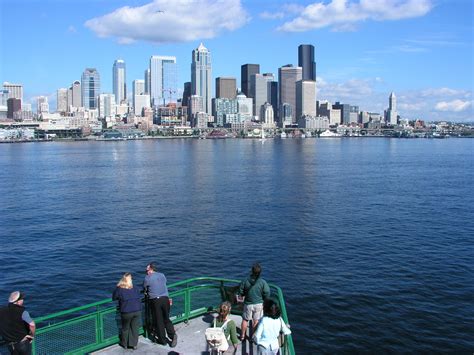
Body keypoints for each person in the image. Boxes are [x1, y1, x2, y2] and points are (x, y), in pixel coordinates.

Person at [143, 262, 177, 347]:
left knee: (159, 321)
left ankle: (162, 340)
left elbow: (144, 287)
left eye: (146, 270)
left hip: (156, 301)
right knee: (166, 318)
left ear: (150, 270)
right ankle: (173, 335)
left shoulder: (147, 278)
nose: (146, 272)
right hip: (165, 299)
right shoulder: (162, 275)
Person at [238, 262, 270, 341]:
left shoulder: (245, 280)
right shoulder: (262, 282)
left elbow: (240, 291)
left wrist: (242, 295)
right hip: (259, 304)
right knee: (256, 321)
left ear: (251, 271)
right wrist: (264, 300)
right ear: (260, 272)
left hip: (248, 304)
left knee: (245, 320)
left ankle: (242, 336)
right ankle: (252, 338)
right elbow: (267, 292)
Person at [112, 273, 142, 350]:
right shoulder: (135, 288)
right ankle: (134, 344)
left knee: (125, 328)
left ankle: (124, 344)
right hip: (137, 310)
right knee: (134, 328)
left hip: (126, 311)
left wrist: (118, 286)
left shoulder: (120, 289)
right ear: (130, 280)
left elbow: (114, 297)